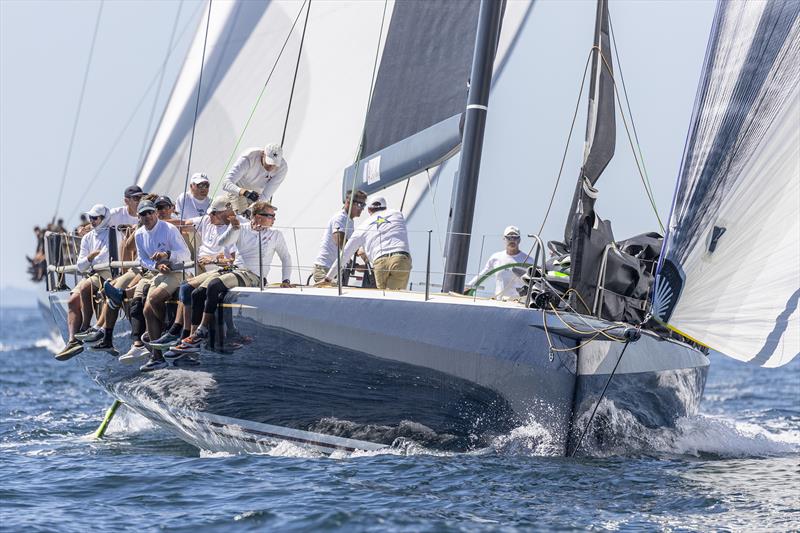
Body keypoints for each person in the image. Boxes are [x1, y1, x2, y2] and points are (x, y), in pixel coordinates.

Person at [169, 201, 291, 353]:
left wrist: (286, 280)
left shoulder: (275, 235)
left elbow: (286, 258)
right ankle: (193, 338)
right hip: (234, 270)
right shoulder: (242, 228)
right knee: (194, 291)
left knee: (214, 286)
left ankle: (201, 331)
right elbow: (223, 242)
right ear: (258, 217)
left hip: (253, 276)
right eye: (271, 216)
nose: (274, 219)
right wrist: (234, 228)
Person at [149, 196, 236, 350]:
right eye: (210, 213)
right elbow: (183, 223)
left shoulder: (235, 229)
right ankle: (180, 331)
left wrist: (213, 259)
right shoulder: (207, 221)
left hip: (218, 269)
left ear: (226, 213)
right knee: (185, 286)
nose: (209, 216)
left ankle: (187, 334)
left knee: (190, 290)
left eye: (213, 214)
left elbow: (232, 260)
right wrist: (153, 223)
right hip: (201, 267)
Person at [119, 200, 191, 371]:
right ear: (139, 217)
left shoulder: (169, 229)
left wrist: (167, 255)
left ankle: (167, 331)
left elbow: (186, 254)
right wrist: (157, 266)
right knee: (146, 310)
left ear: (156, 213)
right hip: (159, 273)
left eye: (150, 212)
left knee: (153, 298)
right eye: (143, 214)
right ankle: (157, 357)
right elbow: (142, 259)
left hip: (177, 272)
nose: (148, 216)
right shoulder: (139, 234)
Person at [54, 204, 112, 361]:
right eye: (91, 218)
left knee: (87, 287)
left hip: (107, 273)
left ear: (103, 218)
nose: (92, 221)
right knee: (72, 300)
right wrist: (90, 258)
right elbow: (80, 265)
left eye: (95, 218)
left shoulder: (111, 233)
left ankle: (86, 326)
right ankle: (73, 341)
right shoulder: (88, 237)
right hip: (92, 273)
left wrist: (90, 260)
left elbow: (105, 257)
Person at [323, 196, 411, 290]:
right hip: (400, 259)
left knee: (385, 296)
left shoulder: (363, 226)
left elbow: (345, 254)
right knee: (395, 296)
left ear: (369, 210)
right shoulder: (397, 213)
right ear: (385, 208)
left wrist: (328, 278)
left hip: (379, 262)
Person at [312, 189, 367, 283]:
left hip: (336, 270)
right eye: (360, 205)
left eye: (364, 205)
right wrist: (359, 251)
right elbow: (340, 243)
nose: (362, 208)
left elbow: (346, 249)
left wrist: (355, 265)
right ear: (348, 203)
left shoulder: (349, 220)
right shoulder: (340, 218)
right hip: (325, 269)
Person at [466, 226, 535, 299]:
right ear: (504, 239)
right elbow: (484, 274)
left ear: (519, 240)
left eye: (515, 237)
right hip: (500, 302)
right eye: (509, 237)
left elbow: (535, 281)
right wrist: (468, 286)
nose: (512, 240)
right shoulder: (496, 257)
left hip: (519, 303)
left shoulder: (529, 260)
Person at [221, 143, 288, 214]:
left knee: (264, 216)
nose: (271, 167)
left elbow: (265, 195)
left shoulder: (282, 168)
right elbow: (226, 184)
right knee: (242, 216)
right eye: (269, 162)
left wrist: (251, 209)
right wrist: (245, 192)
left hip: (258, 195)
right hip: (239, 190)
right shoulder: (248, 157)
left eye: (275, 164)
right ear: (263, 154)